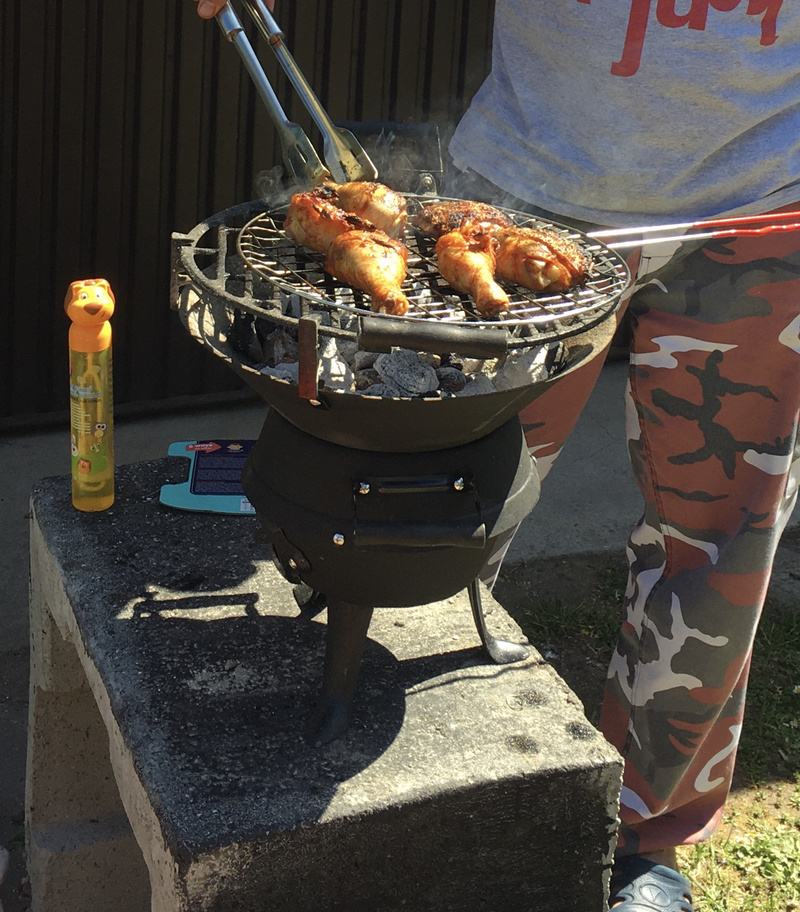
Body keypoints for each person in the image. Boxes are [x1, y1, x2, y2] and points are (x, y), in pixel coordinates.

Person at [194, 2, 800, 909]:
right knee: (434, 501)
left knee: (719, 544)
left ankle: (642, 839)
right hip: (524, 193)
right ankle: (407, 788)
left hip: (760, 208)